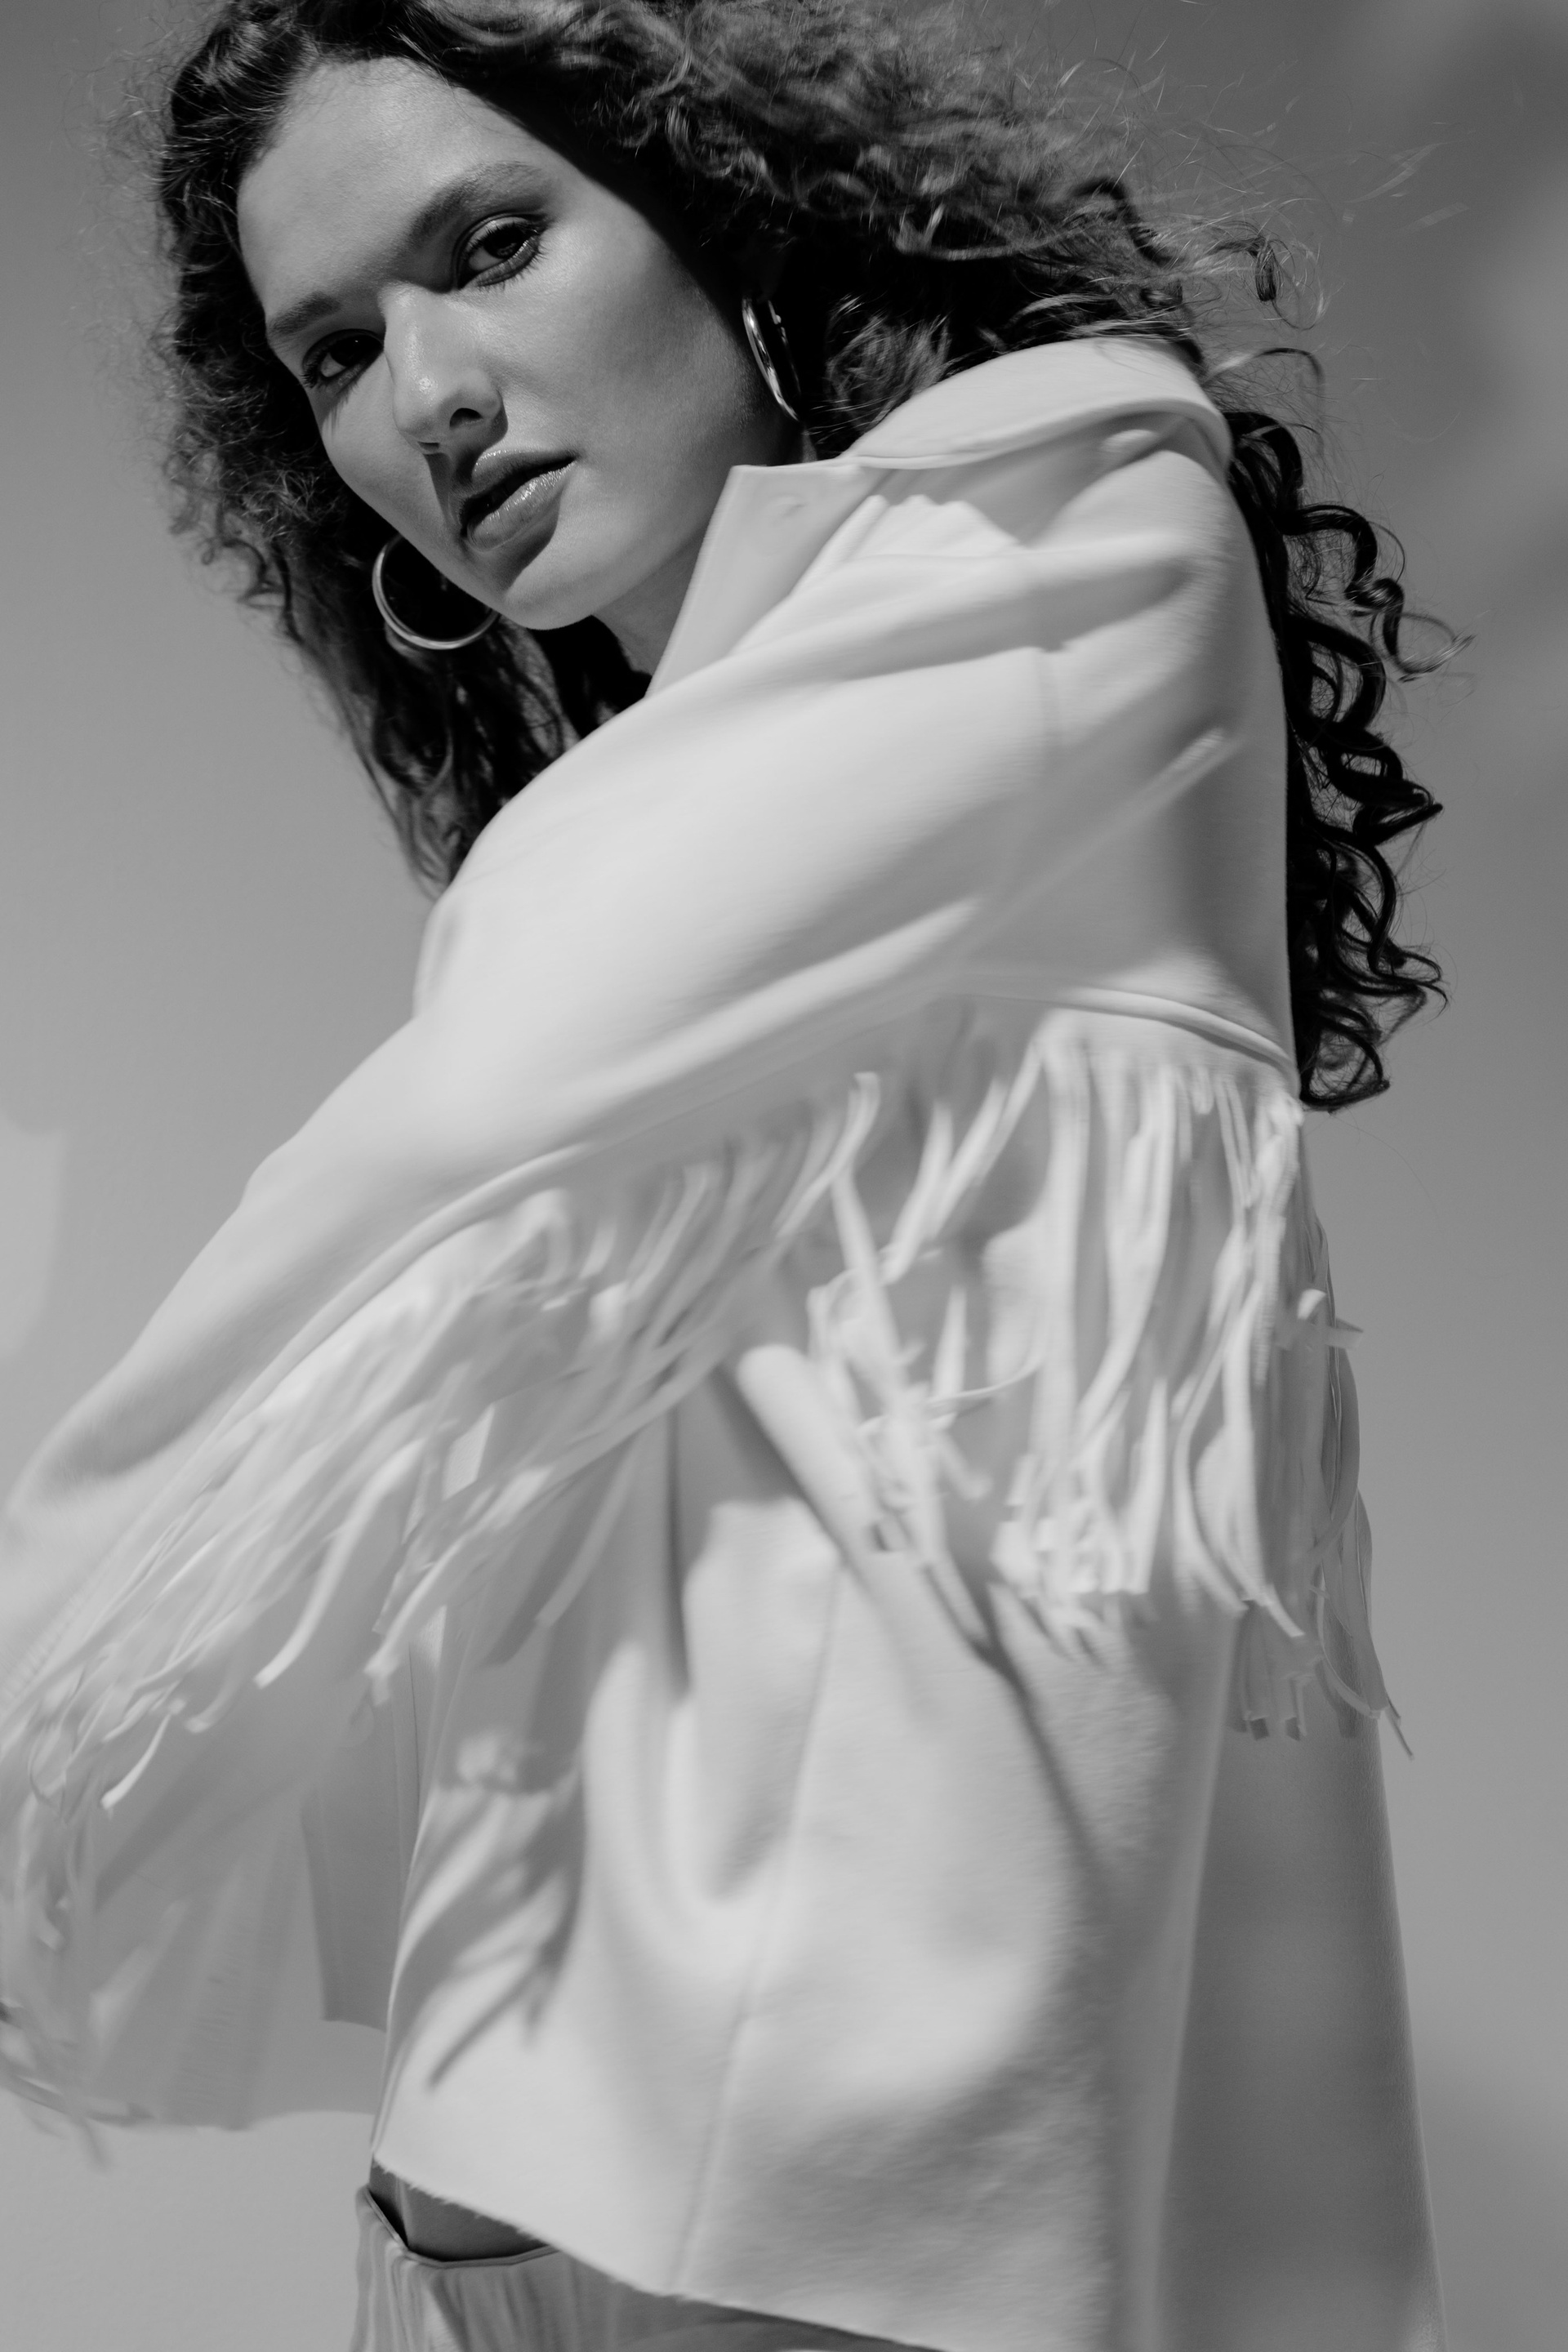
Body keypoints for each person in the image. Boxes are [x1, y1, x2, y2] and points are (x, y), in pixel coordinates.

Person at [0, 2, 1448, 2347]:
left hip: (810, 2254)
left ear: (726, 208)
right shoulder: (702, 769)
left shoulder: (1069, 520)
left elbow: (471, 1116)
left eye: (492, 246)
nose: (428, 397)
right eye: (337, 353)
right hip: (510, 2210)